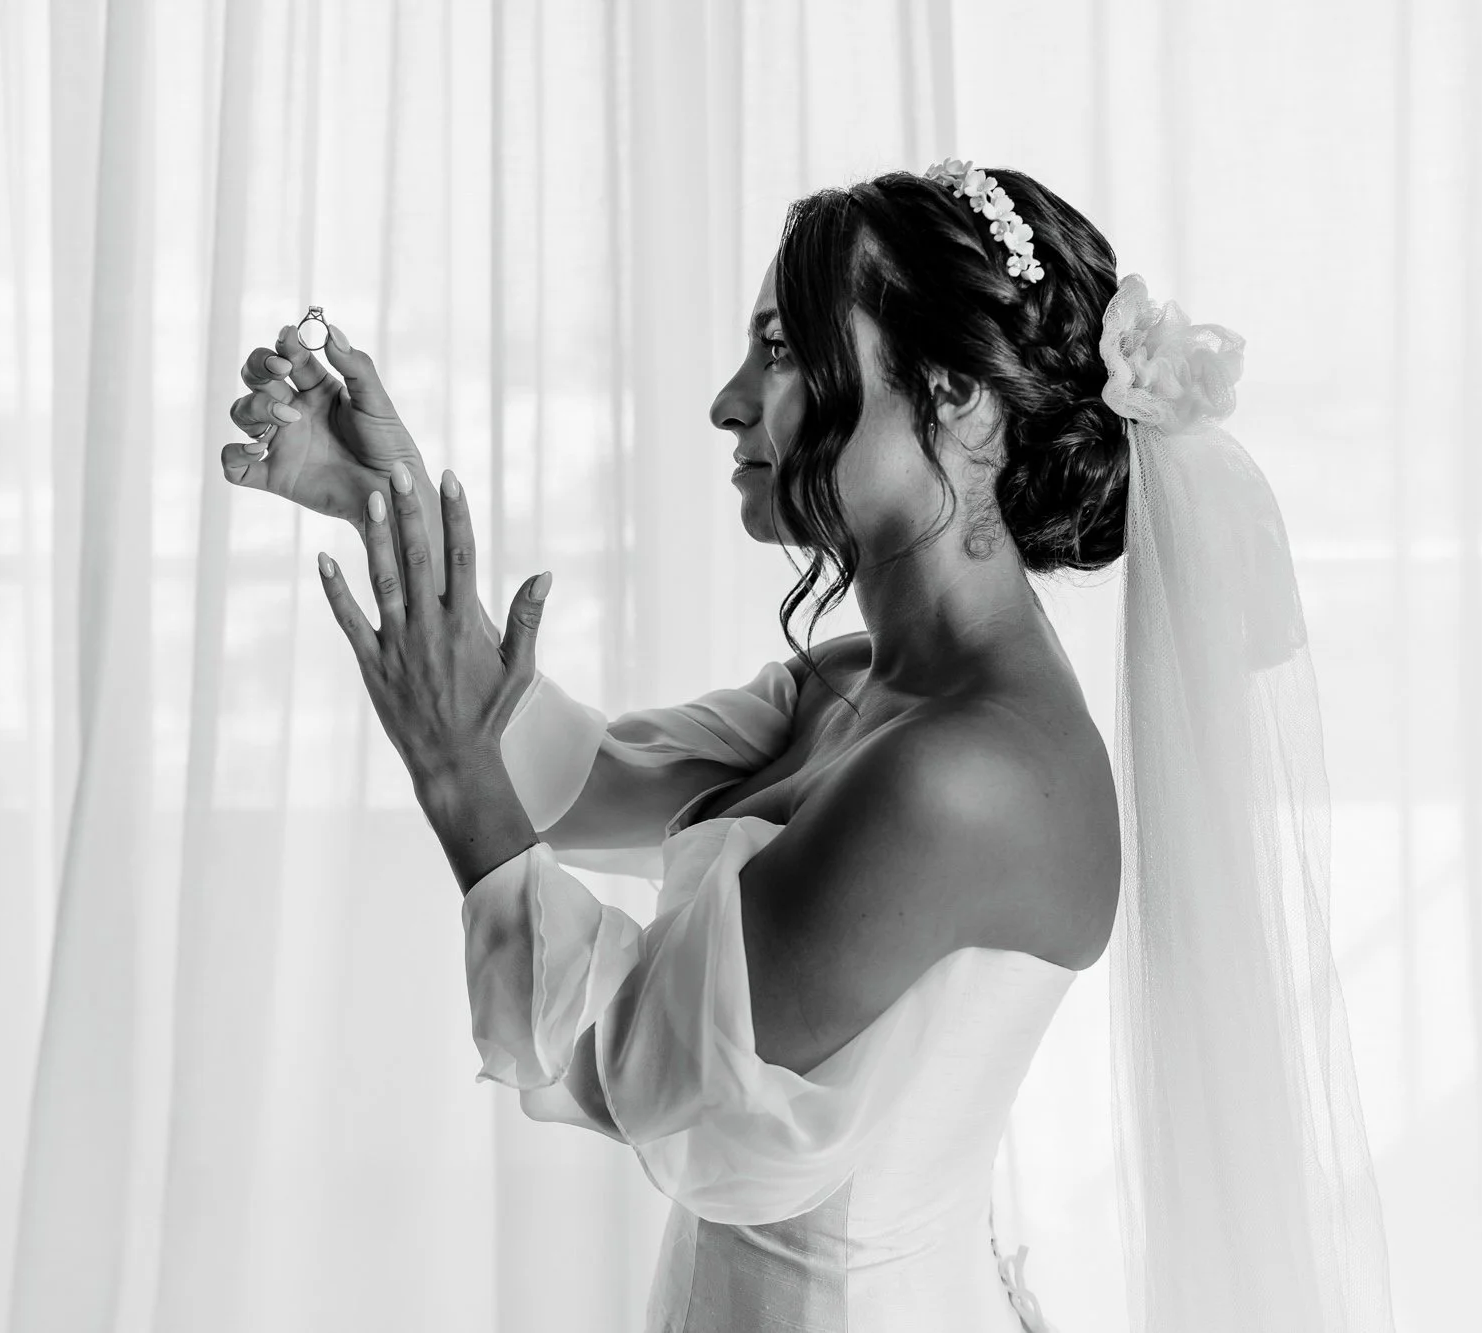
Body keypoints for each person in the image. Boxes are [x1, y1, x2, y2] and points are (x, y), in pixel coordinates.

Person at [222, 162, 1397, 1333]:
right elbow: (579, 782)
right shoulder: (853, 679)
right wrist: (389, 503)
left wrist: (450, 784)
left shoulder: (970, 776)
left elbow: (644, 1071)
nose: (729, 402)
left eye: (781, 349)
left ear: (955, 397)